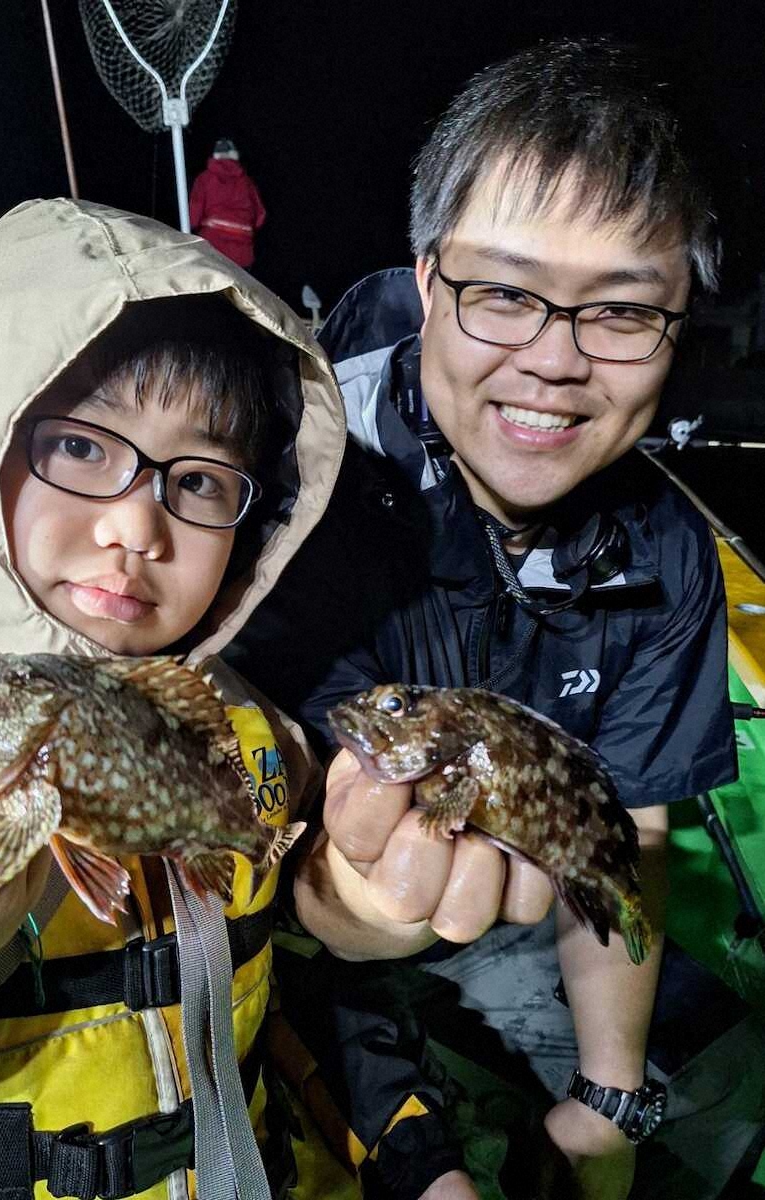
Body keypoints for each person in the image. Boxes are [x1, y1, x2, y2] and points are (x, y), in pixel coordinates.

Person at [228, 39, 765, 1200]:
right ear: (427, 282)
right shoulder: (282, 497)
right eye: (505, 293)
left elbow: (638, 834)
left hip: (523, 890)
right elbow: (281, 889)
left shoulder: (665, 544)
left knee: (718, 1096)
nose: (554, 363)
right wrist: (364, 911)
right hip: (284, 940)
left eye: (624, 312)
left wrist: (609, 1097)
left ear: (678, 326)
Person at [0, 198, 349, 1198]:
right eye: (82, 448)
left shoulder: (246, 725)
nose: (138, 524)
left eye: (203, 482)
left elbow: (283, 963)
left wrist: (359, 910)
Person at [190, 138, 267, 270]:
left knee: (213, 285)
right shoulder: (247, 182)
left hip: (213, 245)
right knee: (239, 287)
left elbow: (194, 215)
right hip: (242, 252)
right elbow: (260, 216)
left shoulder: (205, 178)